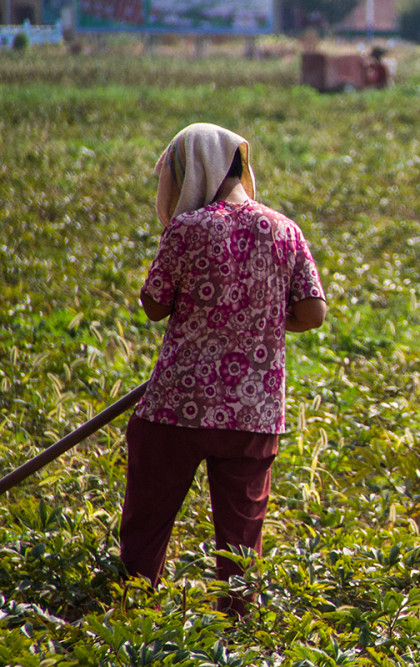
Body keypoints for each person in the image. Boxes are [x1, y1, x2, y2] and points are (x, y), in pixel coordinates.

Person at [119, 123, 327, 614]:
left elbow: (153, 305)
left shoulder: (187, 230)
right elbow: (314, 313)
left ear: (191, 170)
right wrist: (260, 320)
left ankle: (133, 612)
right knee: (240, 539)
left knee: (148, 522)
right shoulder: (282, 228)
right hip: (253, 412)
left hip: (176, 408)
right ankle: (237, 629)